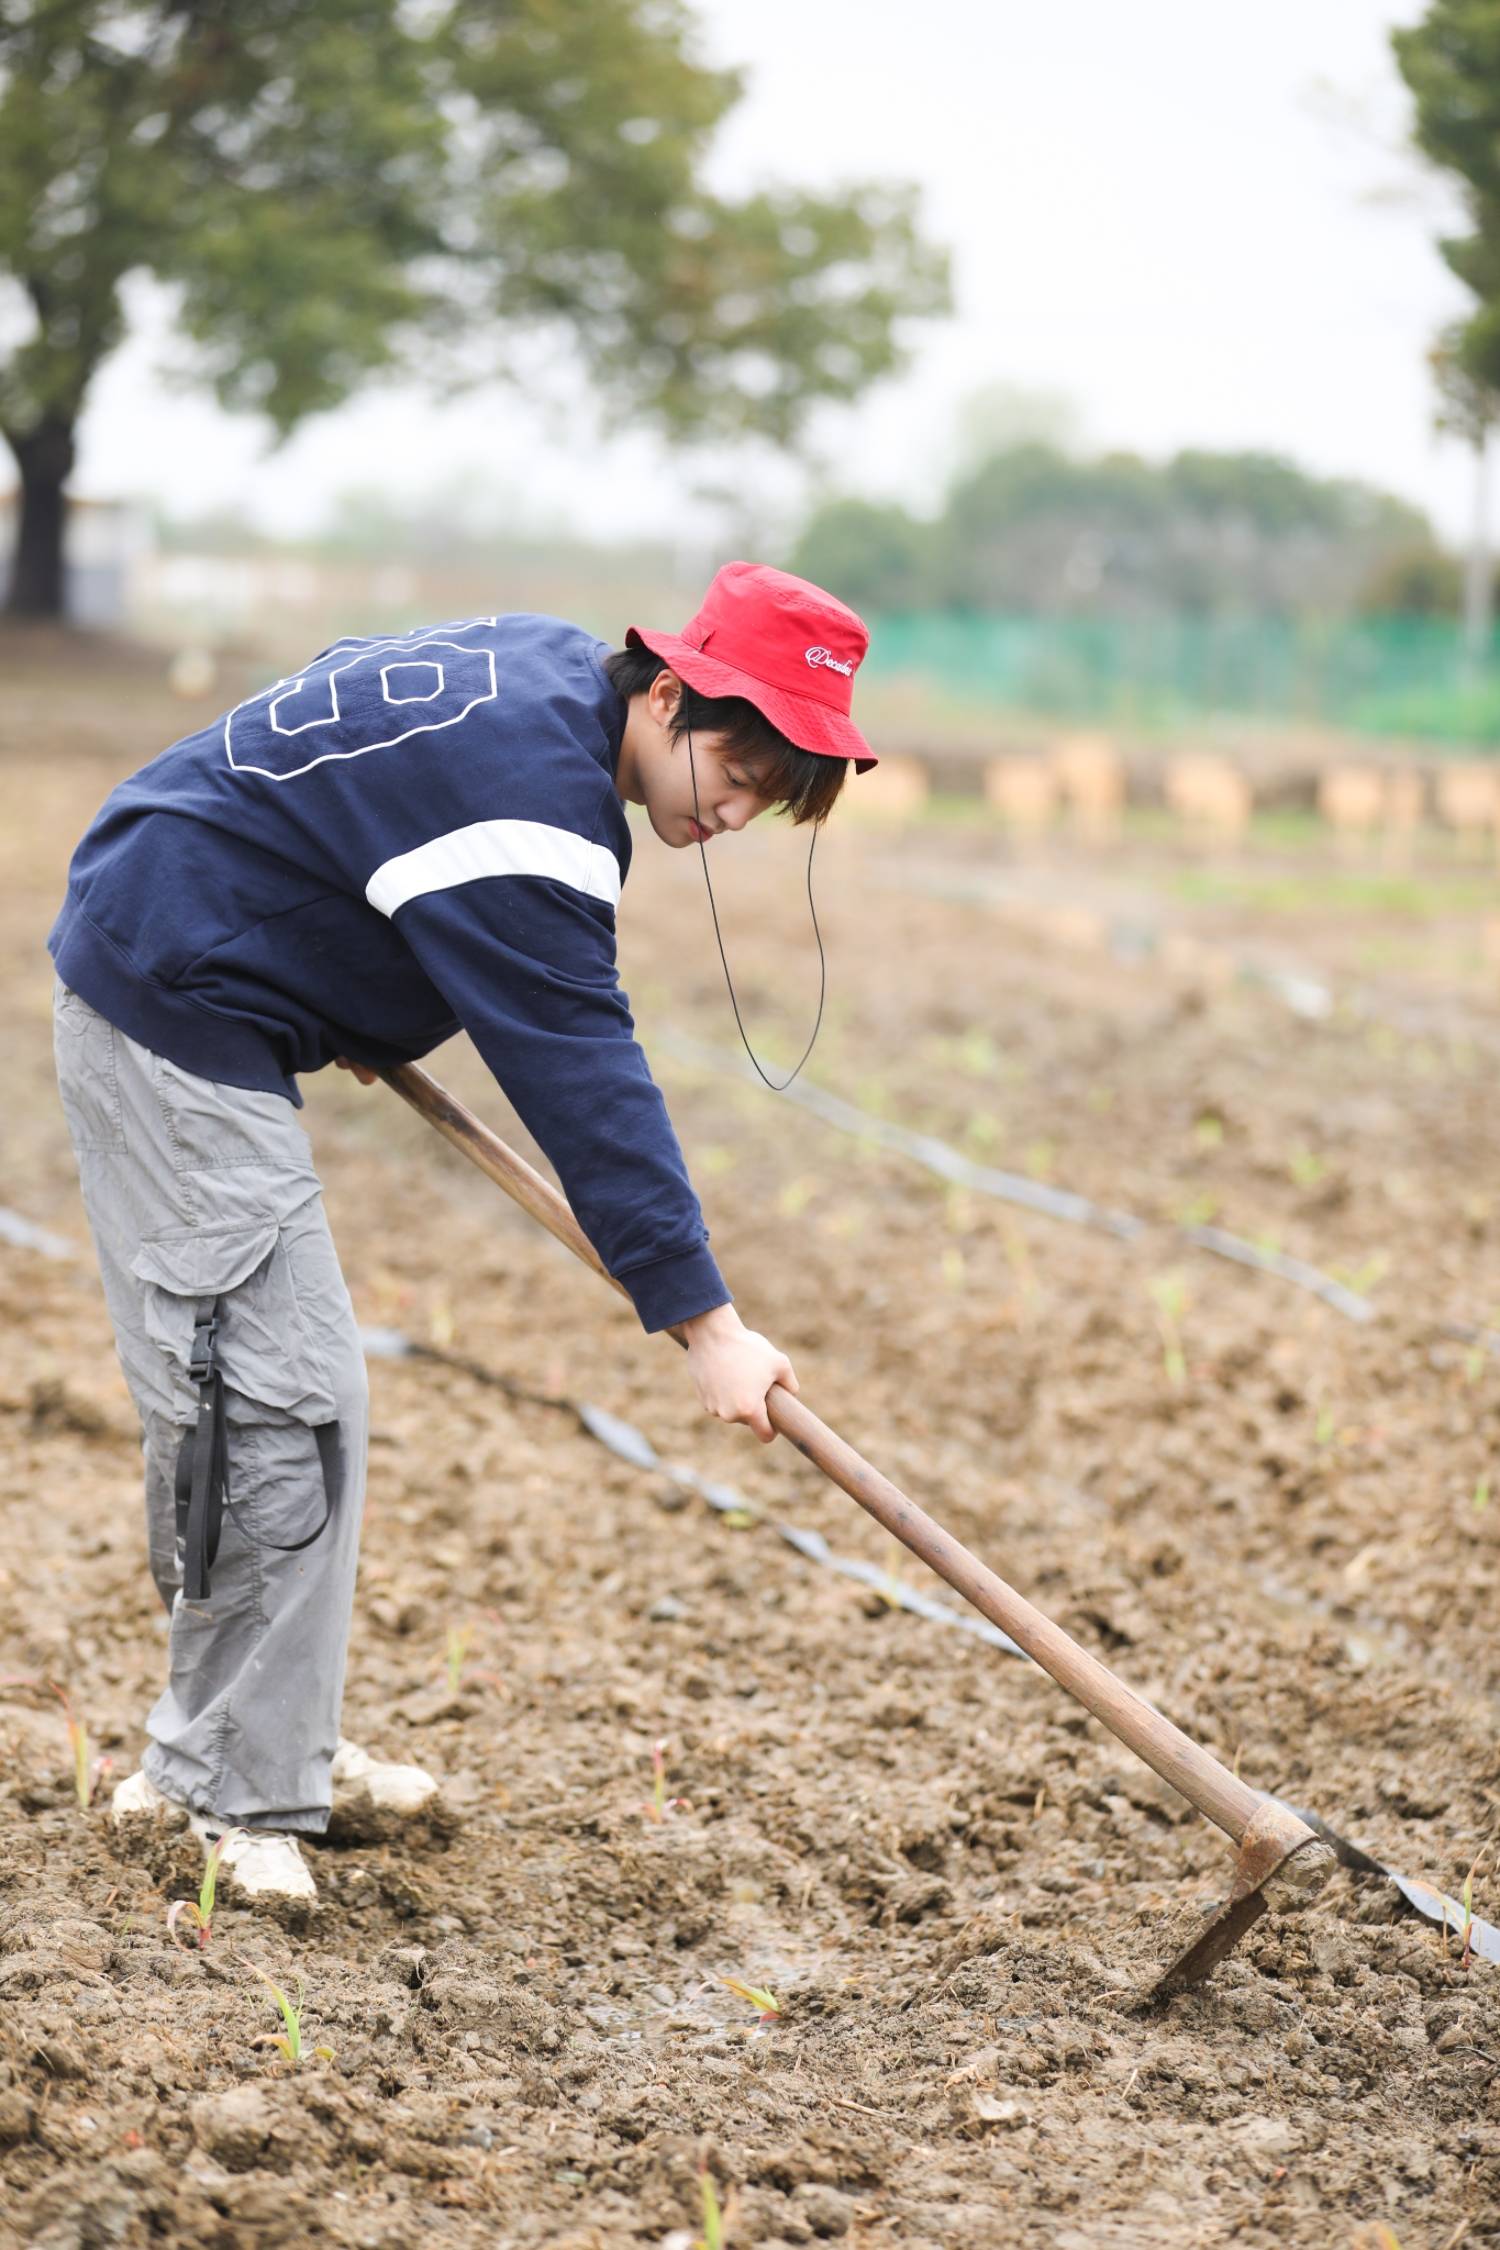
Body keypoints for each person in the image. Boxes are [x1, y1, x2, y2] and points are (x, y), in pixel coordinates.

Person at [47, 558, 876, 1906]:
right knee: (276, 1398)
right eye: (738, 766)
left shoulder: (540, 674)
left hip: (200, 959)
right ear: (670, 693)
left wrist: (351, 996)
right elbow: (579, 1068)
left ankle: (270, 1741)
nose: (734, 812)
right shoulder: (537, 811)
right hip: (168, 1005)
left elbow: (345, 762)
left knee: (295, 1398)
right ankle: (203, 1788)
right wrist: (705, 1323)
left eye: (773, 799)